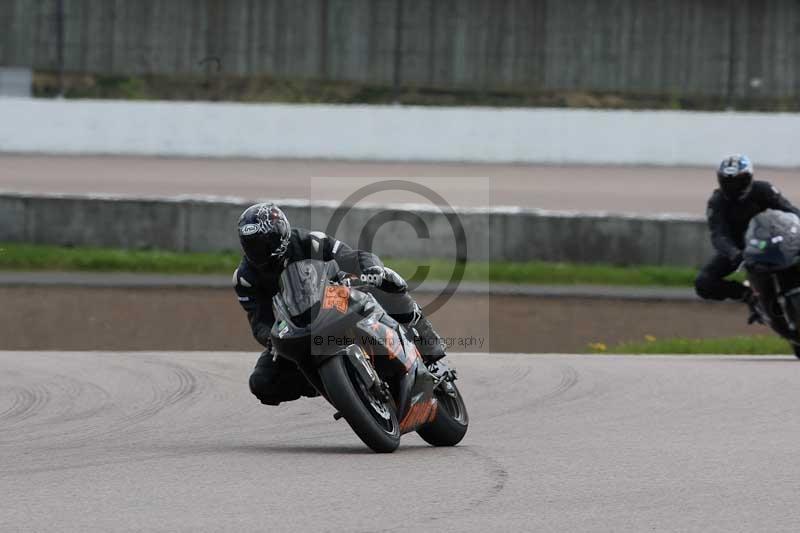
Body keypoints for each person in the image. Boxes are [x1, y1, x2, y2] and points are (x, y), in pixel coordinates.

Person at [233, 202, 447, 406]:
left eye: (266, 242)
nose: (260, 250)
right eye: (252, 245)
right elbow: (259, 321)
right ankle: (335, 385)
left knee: (384, 283)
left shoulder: (309, 241)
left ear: (281, 234)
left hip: (333, 296)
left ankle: (430, 347)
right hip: (296, 327)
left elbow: (350, 255)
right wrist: (271, 337)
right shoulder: (245, 278)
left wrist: (371, 269)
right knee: (261, 383)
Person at [695, 154, 800, 310]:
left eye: (739, 182)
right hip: (742, 248)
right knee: (704, 283)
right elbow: (718, 234)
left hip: (774, 240)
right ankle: (748, 295)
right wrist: (734, 253)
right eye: (728, 182)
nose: (733, 187)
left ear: (749, 178)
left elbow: (790, 211)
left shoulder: (764, 190)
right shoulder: (717, 202)